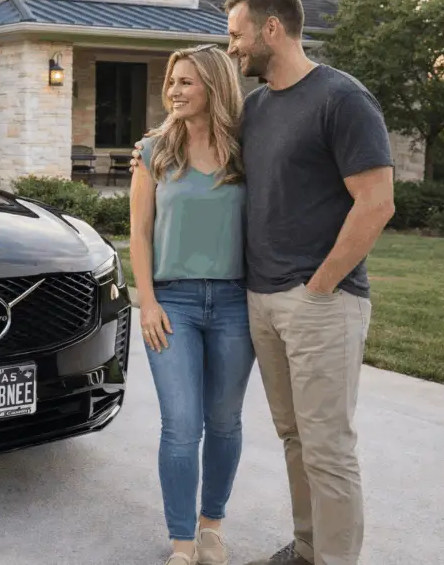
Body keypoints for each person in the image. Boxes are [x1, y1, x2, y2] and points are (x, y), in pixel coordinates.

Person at [130, 0, 396, 565]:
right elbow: (194, 149)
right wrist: (156, 144)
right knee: (296, 438)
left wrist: (320, 286)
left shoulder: (340, 98)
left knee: (328, 445)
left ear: (270, 29)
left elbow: (377, 203)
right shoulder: (255, 111)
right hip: (260, 301)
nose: (232, 48)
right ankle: (305, 549)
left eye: (236, 33)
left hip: (319, 301)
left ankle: (331, 559)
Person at [129, 43, 254, 565]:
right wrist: (148, 304)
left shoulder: (248, 150)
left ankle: (211, 527)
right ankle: (182, 542)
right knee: (182, 426)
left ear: (215, 87)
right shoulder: (154, 152)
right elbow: (137, 235)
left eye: (186, 82)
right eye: (172, 82)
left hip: (234, 303)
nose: (174, 91)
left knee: (224, 422)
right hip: (172, 303)